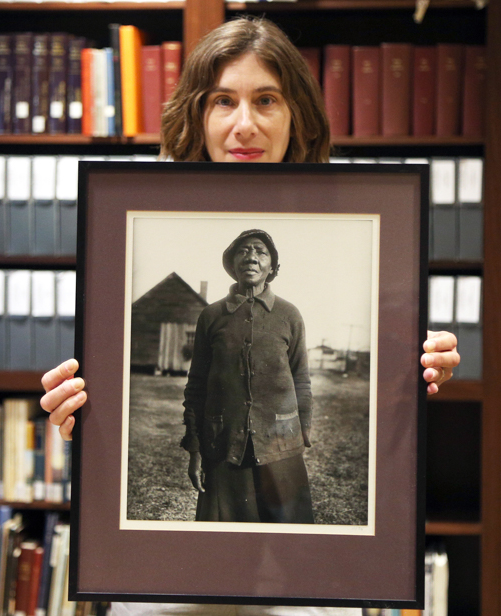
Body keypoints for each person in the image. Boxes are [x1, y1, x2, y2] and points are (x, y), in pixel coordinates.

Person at [38, 14, 461, 615]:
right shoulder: (130, 227)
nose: (244, 124)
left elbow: (310, 378)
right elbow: (189, 381)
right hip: (175, 597)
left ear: (297, 116)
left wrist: (418, 372)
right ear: (198, 114)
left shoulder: (362, 232)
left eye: (267, 100)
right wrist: (83, 406)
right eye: (223, 101)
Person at [183, 229, 314, 524]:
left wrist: (301, 434)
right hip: (223, 446)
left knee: (287, 545)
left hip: (281, 447)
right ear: (232, 264)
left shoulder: (289, 315)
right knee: (226, 547)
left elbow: (301, 380)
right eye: (243, 251)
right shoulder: (211, 316)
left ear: (272, 268)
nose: (251, 257)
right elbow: (196, 388)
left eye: (260, 251)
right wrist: (195, 448)